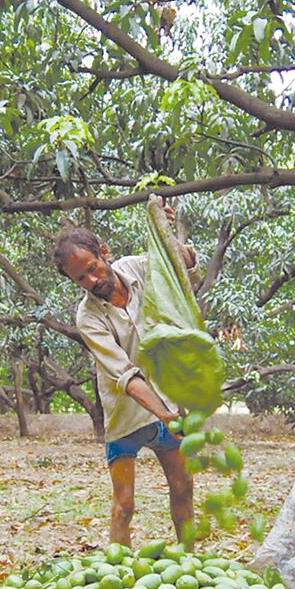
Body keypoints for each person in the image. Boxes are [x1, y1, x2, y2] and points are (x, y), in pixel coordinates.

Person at [53, 200, 198, 548]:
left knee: (183, 487)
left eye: (92, 268)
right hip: (126, 414)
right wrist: (164, 414)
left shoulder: (136, 268)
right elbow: (125, 376)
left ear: (104, 253)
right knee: (124, 505)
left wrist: (165, 234)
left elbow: (181, 269)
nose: (92, 281)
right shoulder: (88, 317)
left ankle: (192, 561)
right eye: (81, 278)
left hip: (168, 401)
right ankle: (119, 573)